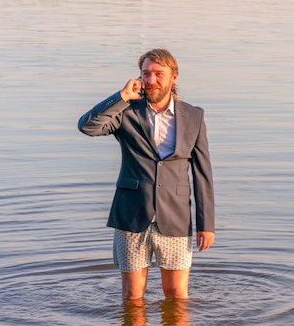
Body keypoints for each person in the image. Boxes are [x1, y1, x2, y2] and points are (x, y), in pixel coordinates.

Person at [78, 48, 215, 300]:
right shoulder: (125, 112)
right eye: (146, 74)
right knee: (132, 296)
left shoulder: (194, 116)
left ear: (174, 77)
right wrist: (121, 96)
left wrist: (206, 224)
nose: (151, 80)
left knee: (176, 294)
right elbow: (88, 126)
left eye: (158, 74)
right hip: (131, 216)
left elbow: (202, 172)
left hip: (175, 217)